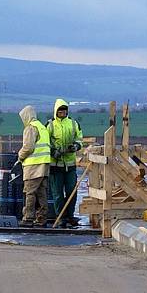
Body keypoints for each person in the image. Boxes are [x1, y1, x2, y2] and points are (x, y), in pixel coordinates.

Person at [47, 98, 84, 228]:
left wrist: (75, 146)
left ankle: (70, 215)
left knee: (71, 192)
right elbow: (45, 143)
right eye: (60, 111)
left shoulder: (73, 124)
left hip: (70, 165)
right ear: (56, 112)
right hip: (56, 166)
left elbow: (79, 139)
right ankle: (60, 217)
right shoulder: (50, 125)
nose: (62, 113)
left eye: (64, 111)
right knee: (57, 194)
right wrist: (53, 152)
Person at [16, 105, 51, 227]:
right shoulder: (42, 127)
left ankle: (28, 218)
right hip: (44, 165)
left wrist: (20, 156)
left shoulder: (30, 128)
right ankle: (41, 218)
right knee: (41, 192)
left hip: (33, 166)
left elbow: (28, 147)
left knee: (29, 192)